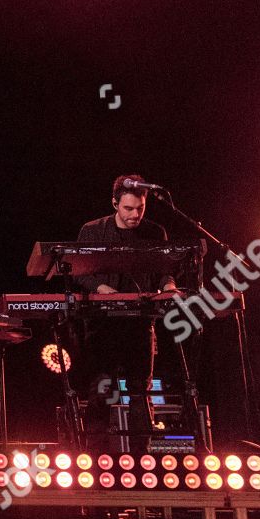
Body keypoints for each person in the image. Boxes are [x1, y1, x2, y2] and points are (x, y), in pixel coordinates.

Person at [72, 175, 182, 429]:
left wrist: (169, 285)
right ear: (114, 203)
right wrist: (101, 288)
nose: (135, 215)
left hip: (140, 321)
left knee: (140, 391)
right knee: (103, 388)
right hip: (102, 324)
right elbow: (77, 272)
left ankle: (143, 457)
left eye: (140, 209)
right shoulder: (93, 230)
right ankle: (94, 458)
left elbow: (164, 269)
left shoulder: (155, 232)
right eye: (128, 209)